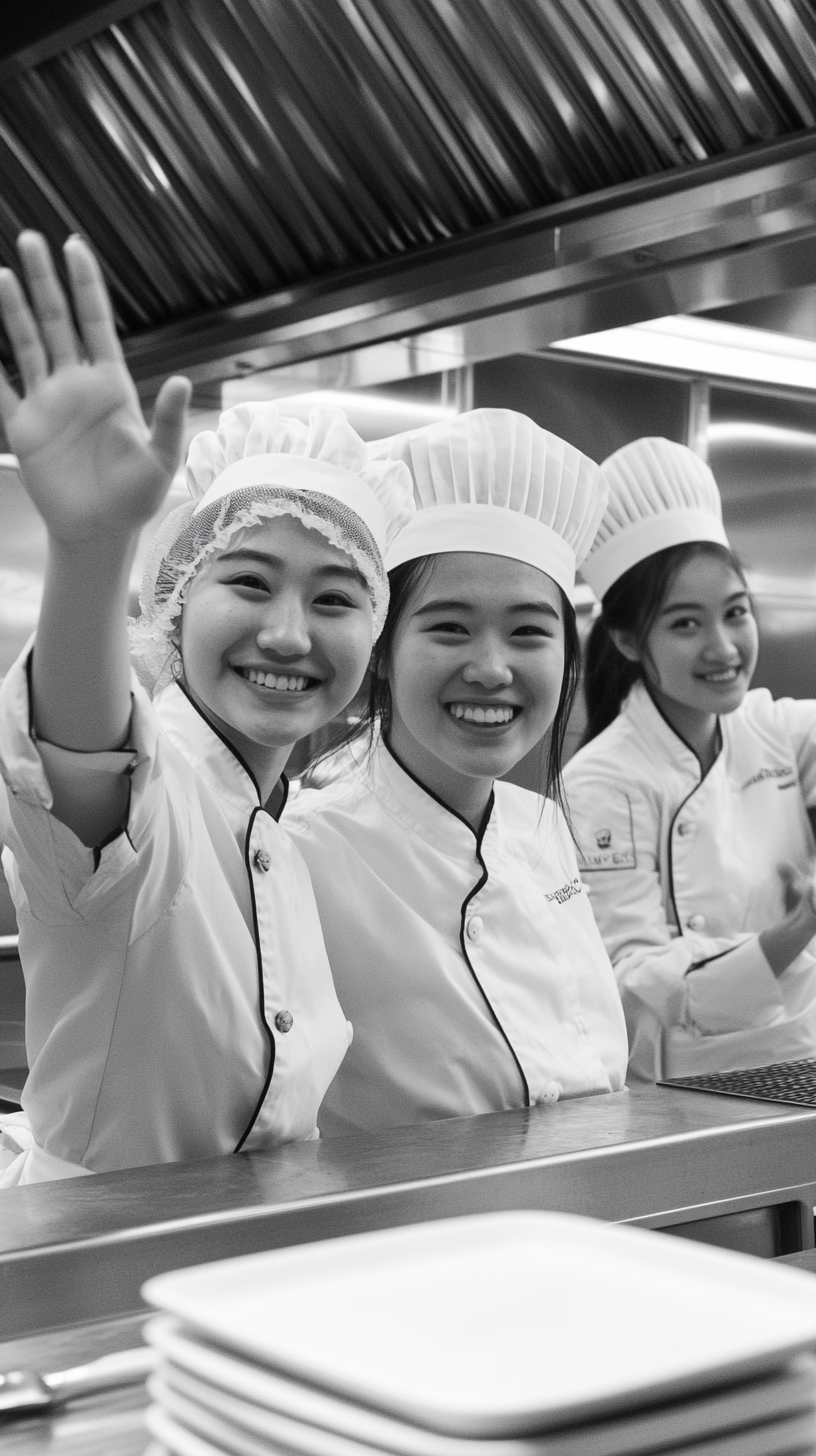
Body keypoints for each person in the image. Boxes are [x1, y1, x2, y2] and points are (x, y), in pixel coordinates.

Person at [0, 231, 412, 1184]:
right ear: (175, 603)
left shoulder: (280, 830)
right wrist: (91, 550)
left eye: (336, 598)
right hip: (89, 1283)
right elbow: (80, 758)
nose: (288, 634)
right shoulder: (155, 796)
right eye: (251, 582)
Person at [285, 409, 628, 1136]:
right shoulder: (304, 853)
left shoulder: (538, 824)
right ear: (378, 644)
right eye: (449, 627)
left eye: (530, 631)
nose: (492, 668)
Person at [564, 437, 816, 1083]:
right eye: (685, 624)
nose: (723, 646)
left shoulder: (772, 728)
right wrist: (800, 928)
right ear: (626, 639)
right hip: (691, 1084)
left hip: (802, 1060)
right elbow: (632, 984)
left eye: (735, 613)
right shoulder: (602, 783)